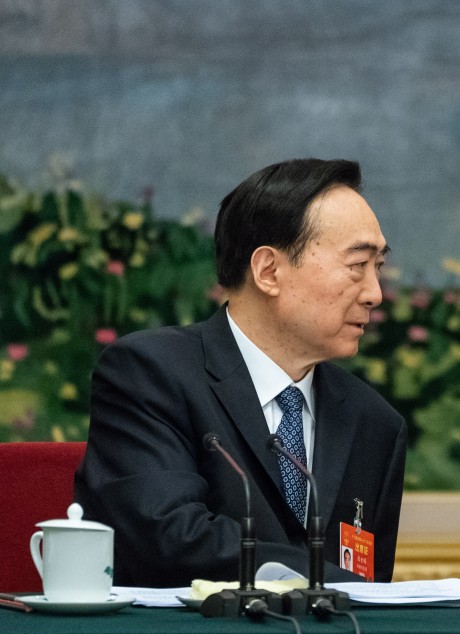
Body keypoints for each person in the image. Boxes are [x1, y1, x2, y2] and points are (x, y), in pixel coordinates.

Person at [75, 158, 407, 587]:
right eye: (356, 266)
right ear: (269, 271)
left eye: (377, 268)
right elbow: (169, 539)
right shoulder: (151, 373)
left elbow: (368, 597)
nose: (375, 294)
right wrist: (321, 579)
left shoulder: (373, 422)